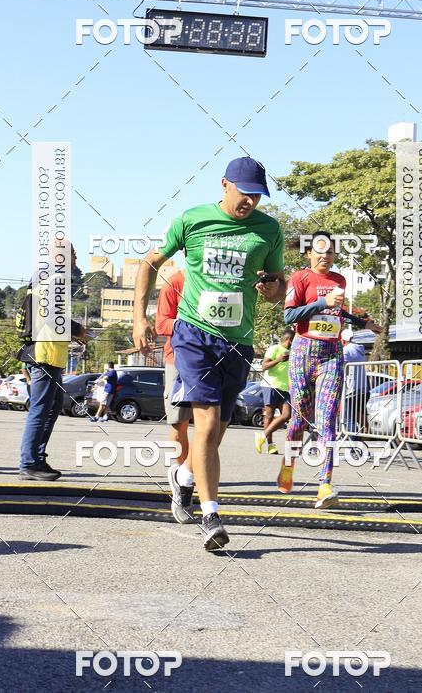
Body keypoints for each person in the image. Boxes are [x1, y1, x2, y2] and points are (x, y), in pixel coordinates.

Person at [133, 157, 285, 551]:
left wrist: (273, 290)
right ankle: (212, 515)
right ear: (224, 185)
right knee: (207, 419)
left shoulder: (269, 230)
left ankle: (184, 477)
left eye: (257, 195)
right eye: (244, 192)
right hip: (194, 334)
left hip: (238, 339)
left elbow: (277, 284)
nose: (250, 201)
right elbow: (149, 264)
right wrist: (139, 318)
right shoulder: (192, 219)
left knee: (218, 429)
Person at [277, 234, 382, 508]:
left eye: (330, 252)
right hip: (303, 353)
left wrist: (365, 323)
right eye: (320, 252)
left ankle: (324, 485)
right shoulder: (299, 278)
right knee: (299, 419)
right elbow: (289, 316)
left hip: (331, 355)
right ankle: (288, 463)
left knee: (327, 421)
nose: (325, 257)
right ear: (308, 253)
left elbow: (338, 313)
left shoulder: (340, 280)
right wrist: (322, 304)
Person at [18, 243, 88, 481]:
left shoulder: (43, 277)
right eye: (73, 253)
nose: (76, 258)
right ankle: (29, 463)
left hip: (46, 353)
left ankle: (37, 459)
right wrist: (79, 329)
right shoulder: (56, 279)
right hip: (45, 355)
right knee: (40, 410)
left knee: (52, 407)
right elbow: (51, 316)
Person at [154, 270, 191, 480]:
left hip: (213, 359)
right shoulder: (174, 283)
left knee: (212, 424)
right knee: (178, 424)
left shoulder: (218, 279)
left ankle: (192, 472)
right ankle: (182, 474)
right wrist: (193, 325)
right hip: (178, 359)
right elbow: (162, 324)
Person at [255, 329, 294, 455]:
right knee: (269, 416)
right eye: (293, 341)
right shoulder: (274, 348)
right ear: (289, 340)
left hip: (285, 388)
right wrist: (278, 360)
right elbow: (264, 366)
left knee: (287, 415)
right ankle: (270, 445)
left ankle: (262, 435)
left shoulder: (293, 352)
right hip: (270, 385)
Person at [340, 327, 370, 434]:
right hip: (364, 388)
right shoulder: (360, 349)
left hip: (351, 389)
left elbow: (340, 366)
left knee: (349, 419)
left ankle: (353, 445)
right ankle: (363, 445)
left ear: (343, 340)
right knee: (362, 419)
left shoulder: (346, 350)